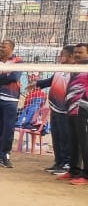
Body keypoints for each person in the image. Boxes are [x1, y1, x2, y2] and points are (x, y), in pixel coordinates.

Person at [0, 39, 25, 168]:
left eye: (4, 47)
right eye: (0, 46)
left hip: (10, 99)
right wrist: (4, 77)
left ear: (11, 48)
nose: (1, 48)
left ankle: (6, 155)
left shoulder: (18, 61)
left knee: (8, 127)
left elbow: (14, 77)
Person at [35, 45, 74, 175]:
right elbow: (51, 81)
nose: (59, 57)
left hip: (66, 109)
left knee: (65, 137)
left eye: (62, 54)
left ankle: (67, 164)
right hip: (55, 107)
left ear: (71, 56)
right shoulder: (60, 69)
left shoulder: (75, 71)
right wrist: (37, 84)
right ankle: (58, 162)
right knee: (56, 137)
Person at [62, 43, 88, 185]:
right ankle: (74, 170)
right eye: (76, 52)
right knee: (73, 141)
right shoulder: (75, 67)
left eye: (80, 52)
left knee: (85, 142)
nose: (77, 54)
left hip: (83, 108)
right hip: (71, 109)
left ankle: (86, 174)